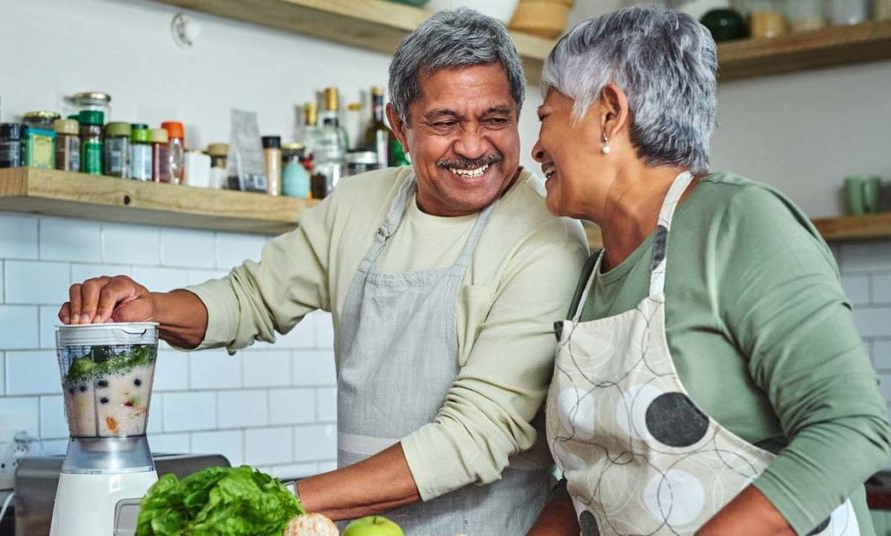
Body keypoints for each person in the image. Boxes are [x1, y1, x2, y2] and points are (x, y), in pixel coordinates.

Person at [60, 8, 588, 535]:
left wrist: (270, 502)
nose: (473, 146)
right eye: (445, 123)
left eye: (494, 119)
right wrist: (149, 307)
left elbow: (474, 433)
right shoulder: (361, 204)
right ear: (399, 126)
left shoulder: (548, 236)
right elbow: (251, 300)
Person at [526, 5, 890, 536]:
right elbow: (598, 478)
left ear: (609, 113)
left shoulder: (741, 222)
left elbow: (852, 427)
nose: (536, 148)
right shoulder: (591, 276)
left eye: (545, 118)